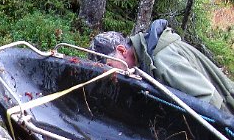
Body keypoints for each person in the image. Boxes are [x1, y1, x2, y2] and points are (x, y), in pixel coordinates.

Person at [90, 19, 234, 116]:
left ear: (122, 51)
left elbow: (210, 102)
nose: (111, 74)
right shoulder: (148, 58)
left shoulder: (161, 59)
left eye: (109, 65)